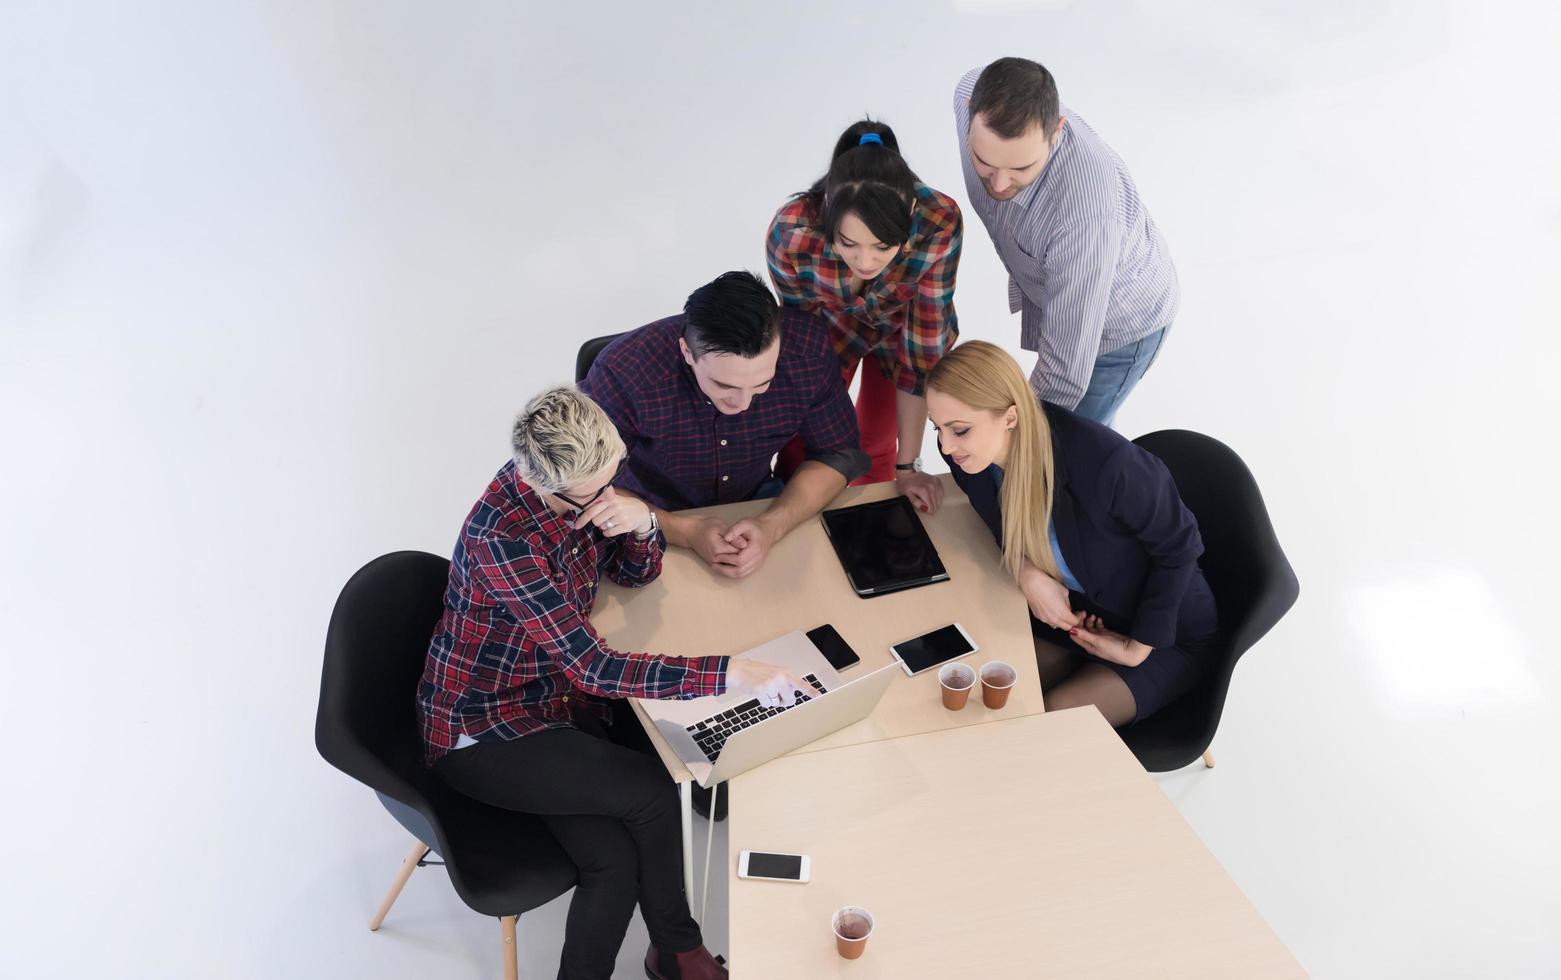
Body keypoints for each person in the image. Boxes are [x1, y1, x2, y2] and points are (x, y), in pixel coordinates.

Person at [417, 386, 805, 980]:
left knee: (614, 863)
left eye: (612, 480)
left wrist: (644, 523)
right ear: (545, 486)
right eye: (591, 495)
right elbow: (594, 669)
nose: (606, 498)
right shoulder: (503, 541)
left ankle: (672, 954)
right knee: (650, 790)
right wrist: (731, 672)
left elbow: (633, 573)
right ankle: (681, 950)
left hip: (552, 699)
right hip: (483, 726)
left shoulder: (578, 486)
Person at [923, 341, 1218, 728]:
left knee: (1052, 720)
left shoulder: (1106, 465)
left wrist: (1136, 649)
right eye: (938, 429)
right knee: (987, 691)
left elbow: (1180, 548)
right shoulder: (971, 456)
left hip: (1165, 637)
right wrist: (1027, 571)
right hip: (1082, 619)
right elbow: (1000, 521)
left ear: (1009, 417)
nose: (945, 446)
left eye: (959, 430)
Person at [579, 271, 870, 580]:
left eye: (762, 384)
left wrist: (772, 526)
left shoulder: (806, 347)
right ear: (687, 352)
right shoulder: (624, 371)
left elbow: (837, 454)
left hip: (757, 502)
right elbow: (586, 488)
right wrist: (685, 531)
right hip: (647, 513)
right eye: (724, 385)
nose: (743, 404)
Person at [954, 57, 1179, 427]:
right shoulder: (967, 92)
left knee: (1070, 449)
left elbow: (1063, 374)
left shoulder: (1085, 214)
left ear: (1057, 132)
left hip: (1121, 329)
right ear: (969, 113)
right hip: (1065, 289)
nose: (997, 185)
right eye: (984, 162)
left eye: (1020, 169)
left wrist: (1011, 439)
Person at [767, 119, 962, 511]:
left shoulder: (939, 222)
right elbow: (801, 343)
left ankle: (873, 526)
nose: (866, 261)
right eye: (849, 244)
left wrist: (909, 467)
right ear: (827, 213)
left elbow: (922, 351)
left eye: (883, 246)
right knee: (801, 443)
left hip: (901, 328)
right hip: (827, 327)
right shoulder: (791, 234)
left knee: (877, 443)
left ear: (909, 213)